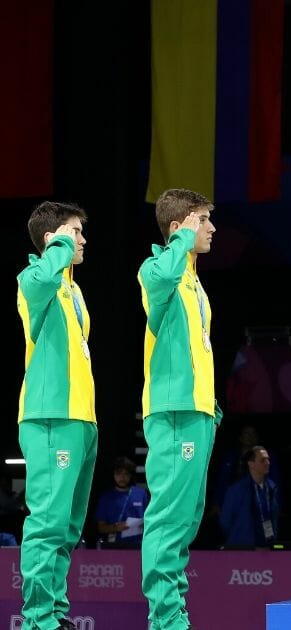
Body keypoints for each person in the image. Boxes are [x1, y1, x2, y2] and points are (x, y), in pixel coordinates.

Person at [138, 188, 221, 630]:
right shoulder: (157, 269)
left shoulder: (191, 279)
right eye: (202, 220)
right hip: (173, 412)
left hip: (196, 411)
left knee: (186, 518)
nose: (211, 228)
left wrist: (209, 404)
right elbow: (162, 274)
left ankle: (175, 614)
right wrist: (179, 243)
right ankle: (165, 620)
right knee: (169, 517)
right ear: (178, 227)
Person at [16, 201, 98, 630]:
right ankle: (36, 620)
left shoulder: (71, 289)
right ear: (52, 239)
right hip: (51, 417)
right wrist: (58, 248)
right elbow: (44, 274)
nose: (82, 240)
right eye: (74, 231)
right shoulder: (34, 279)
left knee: (66, 528)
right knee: (48, 523)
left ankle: (54, 613)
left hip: (81, 420)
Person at [219, 446, 279, 548]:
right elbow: (225, 521)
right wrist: (239, 538)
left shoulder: (271, 488)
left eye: (268, 459)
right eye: (263, 460)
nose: (268, 463)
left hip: (267, 548)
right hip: (243, 550)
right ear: (251, 464)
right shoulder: (236, 490)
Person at [95, 457, 149, 548]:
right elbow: (100, 527)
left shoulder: (141, 494)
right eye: (119, 473)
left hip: (139, 545)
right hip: (113, 546)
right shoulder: (106, 497)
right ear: (113, 474)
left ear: (131, 475)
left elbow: (150, 519)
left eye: (126, 474)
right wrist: (115, 527)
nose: (122, 477)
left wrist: (145, 524)